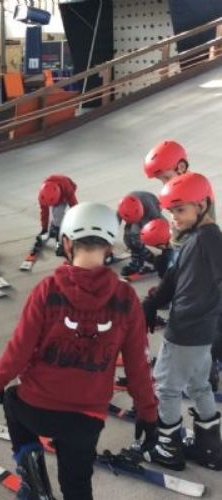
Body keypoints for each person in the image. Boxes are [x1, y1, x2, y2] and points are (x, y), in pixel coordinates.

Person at [0, 202, 157, 500]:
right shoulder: (126, 299)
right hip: (86, 419)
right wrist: (148, 413)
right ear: (109, 247)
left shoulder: (47, 290)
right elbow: (137, 365)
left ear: (66, 243)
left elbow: (19, 350)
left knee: (11, 399)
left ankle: (35, 486)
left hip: (36, 408)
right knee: (77, 486)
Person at [142, 173, 222, 471]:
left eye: (180, 210)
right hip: (200, 331)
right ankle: (209, 448)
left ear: (202, 204)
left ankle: (168, 448)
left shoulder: (210, 238)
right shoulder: (196, 238)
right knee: (199, 385)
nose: (174, 217)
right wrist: (152, 303)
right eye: (171, 211)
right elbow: (175, 278)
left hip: (187, 330)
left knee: (166, 386)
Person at [116, 192, 162, 278]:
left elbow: (160, 224)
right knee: (128, 239)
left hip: (148, 208)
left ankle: (139, 260)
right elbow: (114, 225)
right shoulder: (122, 208)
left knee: (137, 237)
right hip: (135, 211)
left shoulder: (152, 210)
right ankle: (146, 254)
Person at [37, 174, 78, 256]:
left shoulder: (67, 189)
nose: (52, 206)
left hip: (65, 191)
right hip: (57, 193)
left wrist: (59, 243)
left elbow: (75, 208)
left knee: (58, 215)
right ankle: (54, 227)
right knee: (56, 215)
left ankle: (60, 241)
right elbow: (44, 213)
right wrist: (44, 229)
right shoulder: (43, 195)